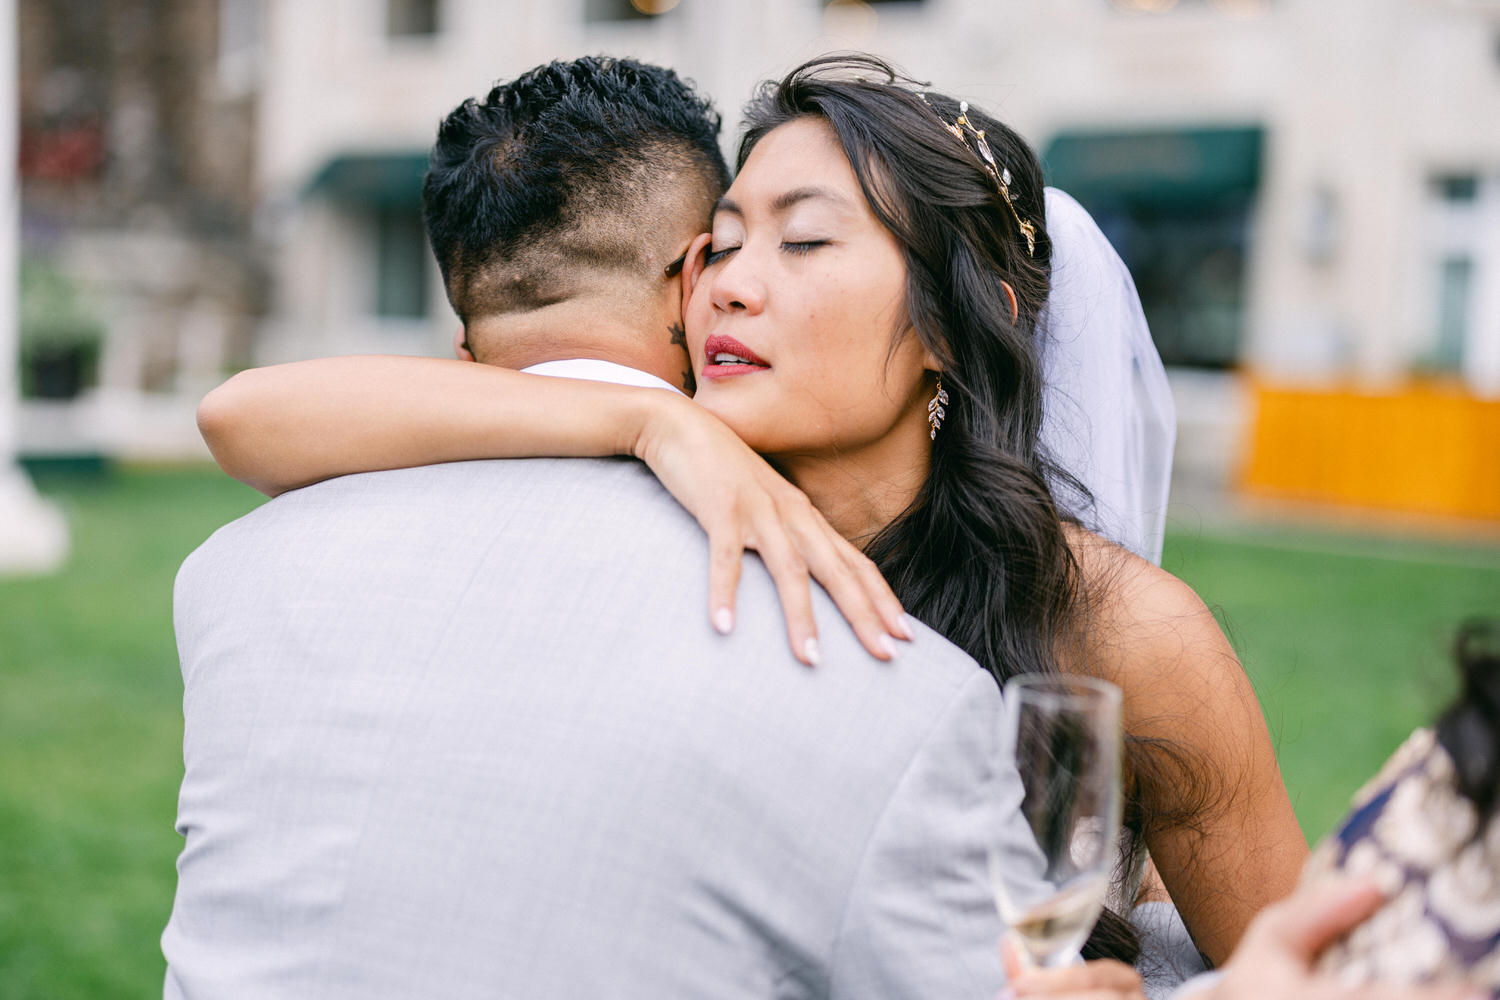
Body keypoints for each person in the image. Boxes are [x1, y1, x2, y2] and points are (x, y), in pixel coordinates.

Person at [197, 55, 1306, 971]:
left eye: (805, 241)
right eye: (720, 245)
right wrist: (653, 428)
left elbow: (1296, 968)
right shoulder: (660, 503)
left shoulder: (1124, 629)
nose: (727, 282)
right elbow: (254, 412)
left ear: (959, 323)